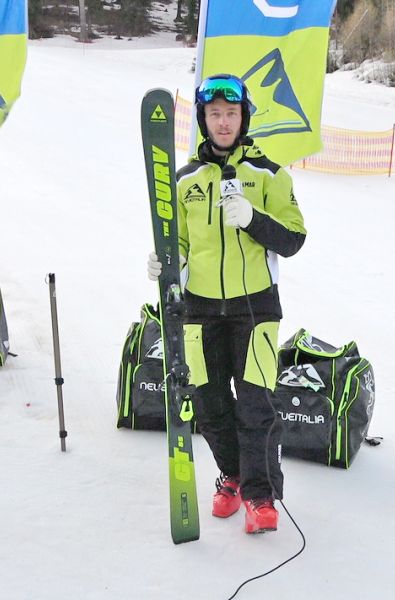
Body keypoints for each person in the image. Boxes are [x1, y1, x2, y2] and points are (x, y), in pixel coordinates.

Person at [147, 74, 306, 534]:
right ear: (203, 120)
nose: (222, 122)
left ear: (243, 118)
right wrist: (163, 264)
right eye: (214, 114)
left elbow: (294, 239)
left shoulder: (270, 176)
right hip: (199, 309)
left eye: (230, 113)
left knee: (255, 405)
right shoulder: (184, 181)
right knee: (209, 402)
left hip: (255, 309)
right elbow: (175, 240)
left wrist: (254, 219)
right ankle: (234, 477)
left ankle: (261, 496)